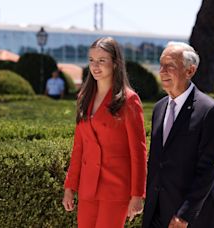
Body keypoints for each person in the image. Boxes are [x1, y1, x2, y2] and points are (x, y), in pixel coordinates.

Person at [142, 42, 214, 228]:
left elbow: (208, 169)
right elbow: (157, 161)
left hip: (192, 219)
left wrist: (185, 214)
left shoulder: (210, 111)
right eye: (161, 65)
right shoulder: (159, 108)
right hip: (157, 214)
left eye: (170, 66)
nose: (162, 71)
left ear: (190, 71)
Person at [62, 37, 147, 228]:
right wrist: (70, 187)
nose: (95, 66)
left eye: (102, 60)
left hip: (116, 189)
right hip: (87, 189)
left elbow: (138, 152)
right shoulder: (84, 97)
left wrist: (137, 195)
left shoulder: (129, 100)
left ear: (115, 63)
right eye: (92, 60)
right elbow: (79, 147)